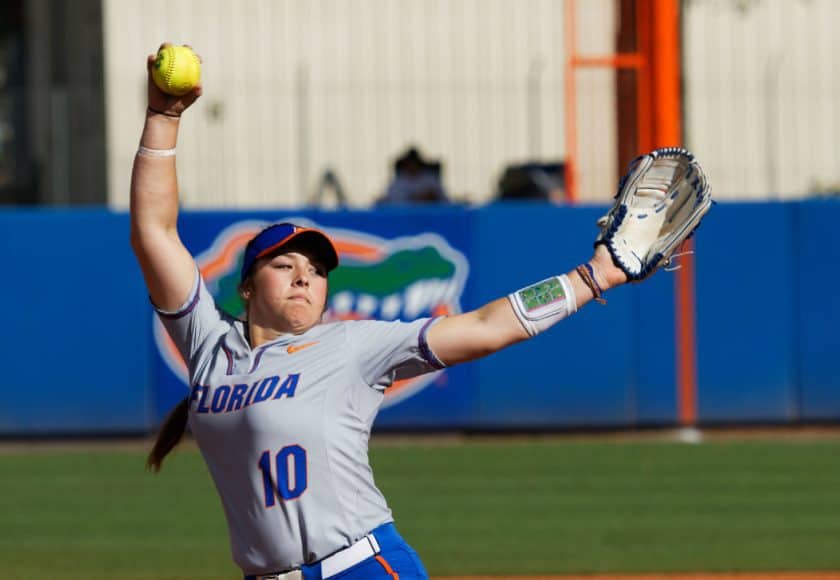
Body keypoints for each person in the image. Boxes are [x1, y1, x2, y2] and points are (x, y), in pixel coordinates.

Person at [132, 44, 629, 580]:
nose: (305, 276)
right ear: (248, 285)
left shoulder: (350, 346)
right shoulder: (210, 346)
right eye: (285, 264)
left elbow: (487, 327)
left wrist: (593, 276)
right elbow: (154, 231)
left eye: (318, 271)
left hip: (363, 567)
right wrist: (163, 118)